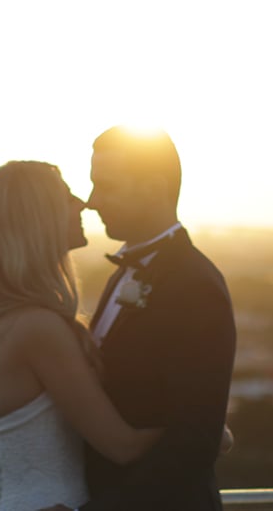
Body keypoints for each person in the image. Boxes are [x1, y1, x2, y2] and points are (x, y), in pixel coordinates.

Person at [0, 161, 162, 511]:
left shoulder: (0, 319)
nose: (83, 204)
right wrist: (206, 433)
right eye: (66, 197)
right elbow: (122, 446)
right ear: (39, 218)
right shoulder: (38, 328)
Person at [73, 126, 236, 511]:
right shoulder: (122, 274)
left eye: (106, 185)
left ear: (153, 187)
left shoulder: (195, 285)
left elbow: (193, 441)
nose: (92, 201)